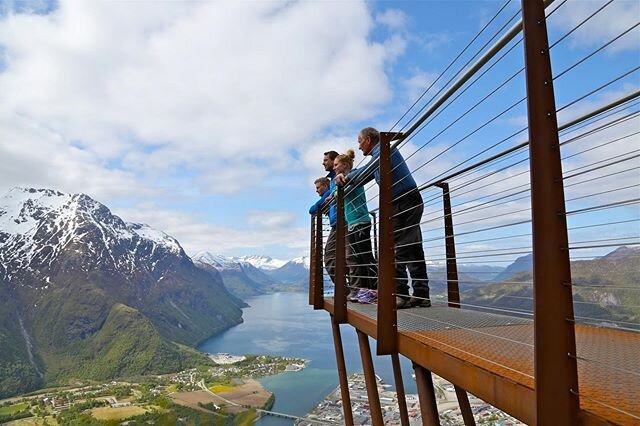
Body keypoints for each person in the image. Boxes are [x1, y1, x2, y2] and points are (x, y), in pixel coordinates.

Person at [335, 127, 430, 309]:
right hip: (408, 199)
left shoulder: (384, 152)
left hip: (402, 201)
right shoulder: (380, 157)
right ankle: (421, 294)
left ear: (368, 140)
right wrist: (346, 177)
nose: (359, 146)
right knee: (413, 248)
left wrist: (345, 176)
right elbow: (362, 175)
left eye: (360, 141)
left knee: (395, 247)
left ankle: (399, 295)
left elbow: (363, 172)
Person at [332, 150, 378, 300]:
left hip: (360, 221)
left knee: (366, 257)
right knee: (357, 258)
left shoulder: (355, 176)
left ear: (345, 165)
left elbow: (342, 191)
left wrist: (339, 183)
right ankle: (364, 290)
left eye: (336, 165)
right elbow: (337, 193)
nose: (334, 168)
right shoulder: (344, 179)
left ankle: (376, 289)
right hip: (352, 223)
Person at [314, 151, 339, 284]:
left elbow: (314, 208)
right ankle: (352, 290)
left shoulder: (335, 181)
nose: (323, 163)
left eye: (325, 160)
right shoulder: (334, 180)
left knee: (330, 258)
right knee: (350, 258)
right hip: (337, 222)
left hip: (342, 222)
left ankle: (346, 291)